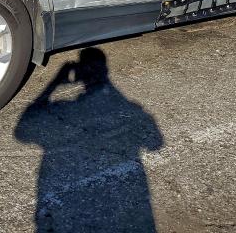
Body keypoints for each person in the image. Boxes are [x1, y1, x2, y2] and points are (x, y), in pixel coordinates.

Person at [14, 47, 164, 232]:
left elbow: (22, 132)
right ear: (105, 72)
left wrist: (54, 84)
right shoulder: (128, 108)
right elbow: (155, 143)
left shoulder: (65, 108)